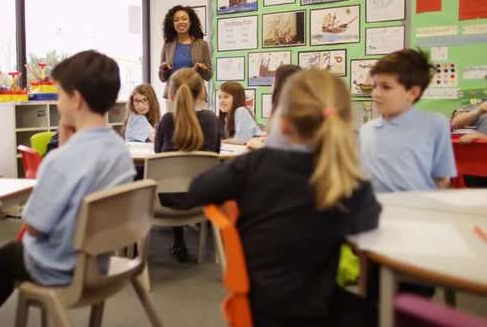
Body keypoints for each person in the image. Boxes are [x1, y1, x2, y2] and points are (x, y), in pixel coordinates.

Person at [188, 69, 381, 326]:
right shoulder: (347, 180)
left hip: (257, 310)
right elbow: (368, 222)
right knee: (376, 312)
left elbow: (198, 189)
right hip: (318, 310)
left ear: (284, 121)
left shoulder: (256, 164)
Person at [0, 50, 136, 320]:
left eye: (58, 95)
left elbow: (35, 226)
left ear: (75, 99)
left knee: (3, 258)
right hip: (98, 261)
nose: (56, 103)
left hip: (59, 267)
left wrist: (62, 153)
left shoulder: (61, 161)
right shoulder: (120, 150)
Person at [359, 48, 456, 193]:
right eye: (375, 86)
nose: (376, 93)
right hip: (375, 211)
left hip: (418, 210)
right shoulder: (367, 129)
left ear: (412, 92)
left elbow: (441, 180)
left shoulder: (434, 124)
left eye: (386, 87)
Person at [154, 67, 220, 263]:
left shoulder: (166, 120)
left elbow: (159, 157)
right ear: (201, 92)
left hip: (165, 202)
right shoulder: (212, 120)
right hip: (202, 198)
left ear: (171, 94)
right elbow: (215, 155)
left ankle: (178, 239)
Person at [159, 5, 212, 109]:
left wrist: (200, 69)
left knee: (198, 125)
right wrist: (164, 69)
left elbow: (209, 75)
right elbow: (162, 78)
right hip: (173, 97)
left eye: (184, 18)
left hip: (197, 96)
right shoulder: (167, 45)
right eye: (176, 20)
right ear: (172, 24)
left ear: (190, 22)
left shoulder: (202, 45)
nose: (180, 22)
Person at [246, 64, 301, 149]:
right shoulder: (298, 107)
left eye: (274, 79)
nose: (272, 83)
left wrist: (255, 143)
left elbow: (278, 150)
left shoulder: (286, 111)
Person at [449, 101, 487, 186]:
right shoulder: (484, 109)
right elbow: (454, 124)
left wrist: (482, 138)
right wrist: (478, 112)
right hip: (478, 165)